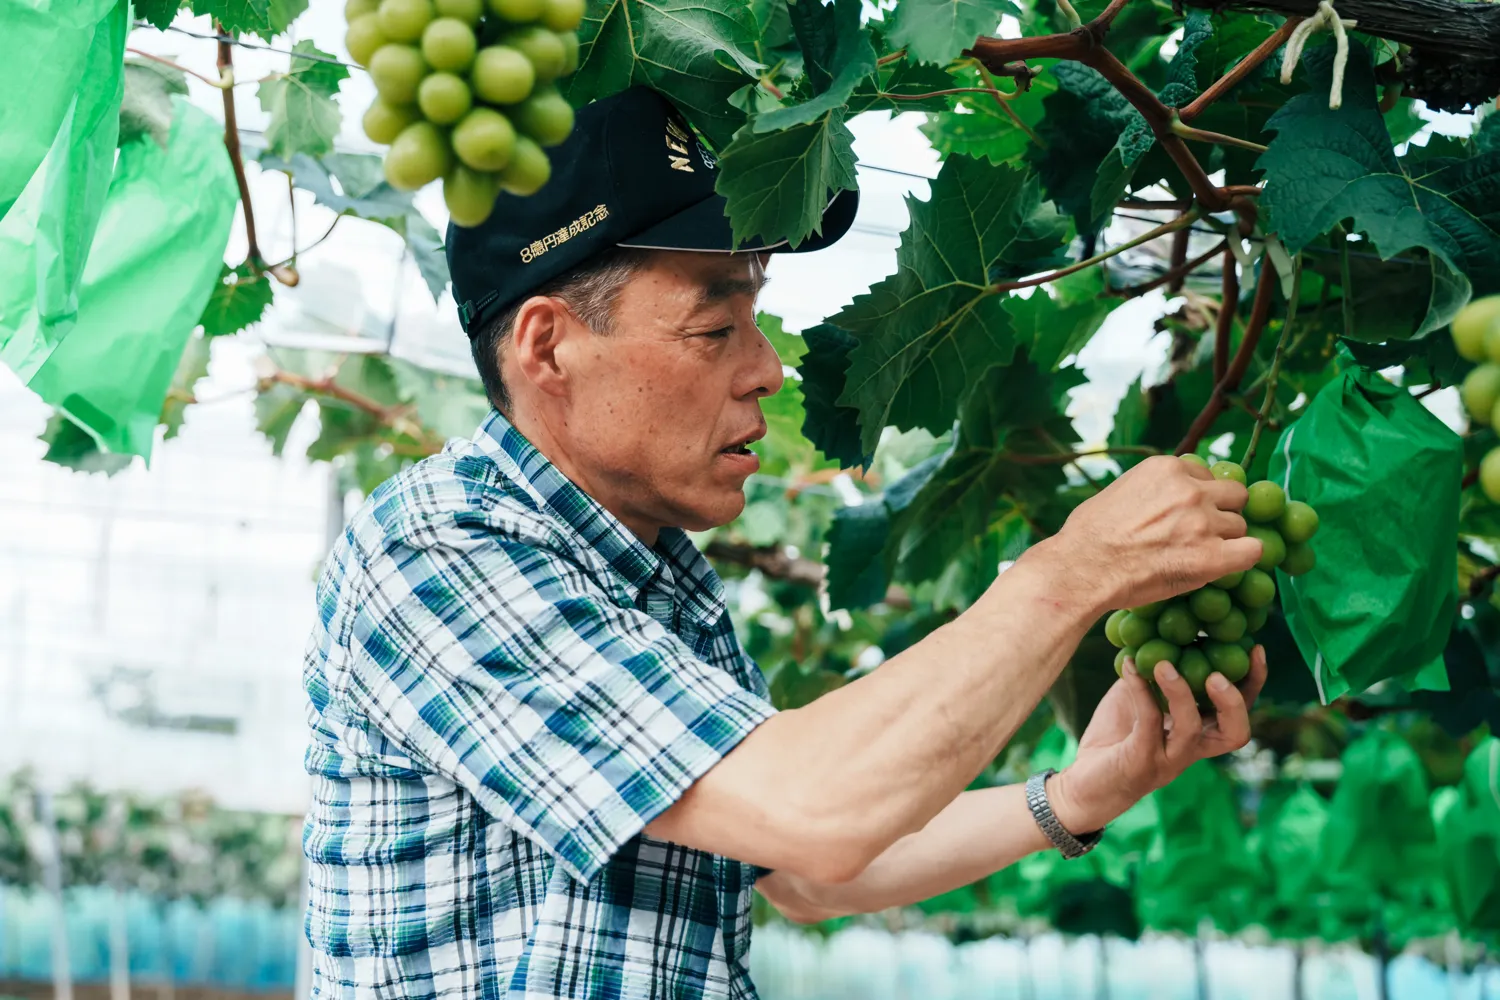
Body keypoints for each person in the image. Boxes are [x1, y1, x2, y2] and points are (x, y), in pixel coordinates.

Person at [300, 86, 1266, 1000]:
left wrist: (1071, 797)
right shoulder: (442, 550)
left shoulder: (660, 586)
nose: (767, 368)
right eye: (715, 326)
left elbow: (803, 870)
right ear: (549, 347)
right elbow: (816, 811)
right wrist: (1075, 570)